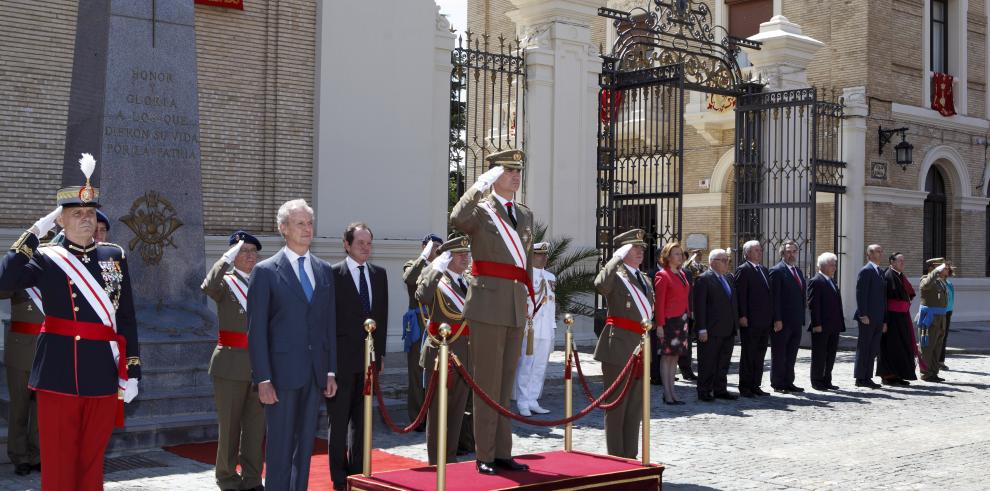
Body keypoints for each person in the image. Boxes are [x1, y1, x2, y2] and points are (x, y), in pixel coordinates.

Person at [0, 153, 141, 490]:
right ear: (60, 221)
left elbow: (127, 317)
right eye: (76, 214)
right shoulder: (48, 258)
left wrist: (132, 370)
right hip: (58, 373)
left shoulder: (114, 255)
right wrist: (36, 232)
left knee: (92, 463)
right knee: (60, 463)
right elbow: (5, 280)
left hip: (102, 371)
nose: (86, 220)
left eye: (90, 214)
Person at [450, 148, 535, 475]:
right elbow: (457, 218)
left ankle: (502, 451)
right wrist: (478, 186)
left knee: (504, 385)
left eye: (518, 171)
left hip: (514, 305)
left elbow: (524, 262)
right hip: (487, 305)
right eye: (508, 171)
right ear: (493, 176)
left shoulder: (525, 215)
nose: (515, 176)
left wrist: (527, 299)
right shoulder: (481, 212)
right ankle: (484, 454)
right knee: (486, 383)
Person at [247, 199, 337, 491]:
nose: (306, 229)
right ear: (283, 229)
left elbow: (329, 326)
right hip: (281, 375)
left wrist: (331, 371)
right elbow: (256, 331)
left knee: (305, 452)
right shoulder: (266, 272)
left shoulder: (324, 271)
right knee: (280, 450)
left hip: (315, 374)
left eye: (309, 223)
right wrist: (263, 378)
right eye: (300, 223)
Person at [201, 231, 265, 491]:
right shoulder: (225, 282)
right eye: (242, 251)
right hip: (230, 364)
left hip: (259, 364)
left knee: (255, 428)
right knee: (229, 427)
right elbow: (208, 285)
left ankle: (252, 479)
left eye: (253, 251)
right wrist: (225, 258)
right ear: (232, 255)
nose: (249, 255)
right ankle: (227, 478)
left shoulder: (263, 282)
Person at [327, 222, 388, 489]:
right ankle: (339, 479)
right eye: (360, 242)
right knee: (339, 422)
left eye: (369, 243)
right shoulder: (333, 275)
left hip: (368, 362)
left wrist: (381, 354)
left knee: (363, 422)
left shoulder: (379, 274)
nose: (365, 247)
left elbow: (382, 317)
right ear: (347, 244)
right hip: (341, 361)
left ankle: (358, 473)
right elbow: (326, 321)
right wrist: (328, 365)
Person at [593, 229, 652, 458]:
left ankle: (630, 454)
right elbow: (600, 285)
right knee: (617, 405)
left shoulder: (644, 279)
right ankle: (616, 456)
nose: (639, 252)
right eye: (634, 248)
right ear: (623, 251)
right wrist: (615, 258)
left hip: (640, 346)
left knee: (635, 407)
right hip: (618, 346)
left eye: (641, 248)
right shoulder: (616, 277)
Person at [415, 234, 473, 465]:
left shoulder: (468, 282)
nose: (465, 258)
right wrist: (434, 268)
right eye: (459, 254)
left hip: (465, 356)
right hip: (441, 356)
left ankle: (450, 459)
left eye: (467, 253)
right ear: (447, 257)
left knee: (457, 412)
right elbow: (422, 294)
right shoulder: (438, 281)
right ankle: (436, 462)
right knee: (439, 412)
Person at [401, 233, 444, 432]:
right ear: (424, 247)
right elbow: (410, 279)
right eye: (432, 246)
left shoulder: (442, 267)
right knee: (417, 373)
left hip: (438, 322)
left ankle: (435, 415)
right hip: (419, 323)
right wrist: (425, 257)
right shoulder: (414, 264)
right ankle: (418, 418)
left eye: (438, 246)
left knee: (437, 371)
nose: (436, 249)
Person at [513, 241, 556, 416]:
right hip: (530, 328)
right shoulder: (525, 277)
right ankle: (522, 401)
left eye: (545, 254)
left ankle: (533, 399)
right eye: (540, 254)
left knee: (539, 366)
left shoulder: (551, 277)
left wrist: (552, 328)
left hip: (545, 328)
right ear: (532, 256)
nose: (544, 257)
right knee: (526, 365)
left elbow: (552, 304)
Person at [693, 249, 738, 401]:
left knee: (723, 362)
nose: (727, 263)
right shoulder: (704, 279)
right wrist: (702, 328)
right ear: (713, 262)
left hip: (727, 328)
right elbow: (700, 306)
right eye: (723, 260)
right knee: (708, 362)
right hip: (711, 329)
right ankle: (704, 391)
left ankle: (720, 389)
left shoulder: (728, 278)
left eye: (727, 260)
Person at [734, 240, 773, 397]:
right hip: (750, 320)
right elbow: (741, 295)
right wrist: (742, 315)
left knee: (760, 353)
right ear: (747, 253)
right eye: (756, 250)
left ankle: (756, 384)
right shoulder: (743, 270)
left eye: (760, 250)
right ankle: (745, 386)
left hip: (764, 320)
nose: (759, 252)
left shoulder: (763, 269)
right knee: (749, 354)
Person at [653, 241, 691, 404]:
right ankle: (667, 393)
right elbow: (659, 302)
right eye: (676, 253)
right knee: (666, 357)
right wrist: (660, 325)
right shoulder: (663, 275)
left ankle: (673, 393)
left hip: (681, 320)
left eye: (680, 253)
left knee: (675, 357)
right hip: (669, 321)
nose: (680, 256)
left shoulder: (681, 273)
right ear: (667, 257)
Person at [768, 240, 807, 393]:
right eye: (788, 252)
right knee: (779, 353)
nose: (791, 254)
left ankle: (789, 381)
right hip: (782, 321)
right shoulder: (776, 271)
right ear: (782, 253)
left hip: (795, 320)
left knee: (791, 354)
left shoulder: (798, 271)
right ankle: (778, 383)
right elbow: (774, 298)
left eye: (794, 251)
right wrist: (777, 319)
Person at [876, 252, 918, 386]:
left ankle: (899, 374)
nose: (902, 263)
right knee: (891, 347)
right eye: (900, 261)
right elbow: (884, 300)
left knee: (902, 346)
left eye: (903, 261)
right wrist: (884, 321)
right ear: (892, 262)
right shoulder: (888, 276)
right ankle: (888, 376)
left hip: (902, 318)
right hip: (892, 319)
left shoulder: (900, 276)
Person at [807, 252, 844, 391]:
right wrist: (816, 324)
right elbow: (813, 304)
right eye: (832, 265)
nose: (835, 267)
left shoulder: (832, 281)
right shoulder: (816, 281)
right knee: (819, 355)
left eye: (835, 265)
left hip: (833, 325)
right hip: (821, 326)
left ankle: (827, 379)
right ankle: (817, 380)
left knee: (830, 354)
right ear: (823, 266)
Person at [854, 244, 887, 389]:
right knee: (864, 347)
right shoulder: (866, 271)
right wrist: (863, 314)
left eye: (881, 251)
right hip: (867, 317)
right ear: (870, 254)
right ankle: (860, 378)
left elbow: (883, 298)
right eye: (877, 251)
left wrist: (884, 319)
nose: (881, 253)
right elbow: (861, 294)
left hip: (878, 317)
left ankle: (868, 376)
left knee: (873, 349)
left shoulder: (879, 271)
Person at [918, 258, 950, 383]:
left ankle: (933, 372)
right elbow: (925, 285)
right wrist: (936, 271)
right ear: (933, 268)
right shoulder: (925, 279)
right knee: (927, 346)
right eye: (943, 267)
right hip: (930, 318)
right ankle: (925, 373)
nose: (946, 269)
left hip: (941, 318)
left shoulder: (941, 282)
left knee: (937, 346)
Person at [939, 264, 955, 370]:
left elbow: (951, 298)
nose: (947, 270)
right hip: (939, 312)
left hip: (948, 312)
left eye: (947, 268)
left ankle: (941, 361)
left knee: (944, 337)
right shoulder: (937, 282)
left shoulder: (949, 283)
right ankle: (934, 361)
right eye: (945, 268)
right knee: (938, 337)